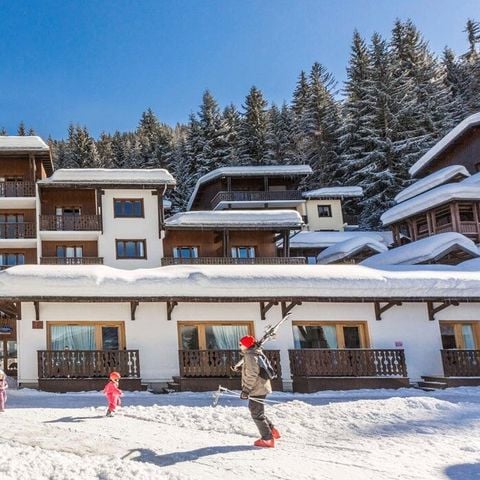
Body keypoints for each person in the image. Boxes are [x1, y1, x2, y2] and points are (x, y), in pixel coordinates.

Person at [239, 335, 280, 448]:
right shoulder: (255, 353)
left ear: (246, 345)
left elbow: (252, 374)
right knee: (258, 412)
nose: (240, 346)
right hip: (261, 386)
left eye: (241, 344)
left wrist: (246, 390)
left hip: (257, 388)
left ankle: (267, 439)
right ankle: (272, 431)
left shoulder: (250, 355)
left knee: (256, 413)